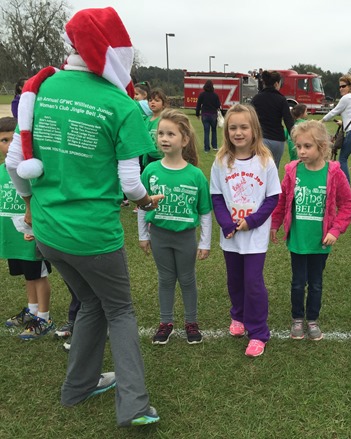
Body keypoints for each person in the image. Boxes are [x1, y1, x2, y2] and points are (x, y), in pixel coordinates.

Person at [5, 7, 161, 426]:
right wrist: (146, 202)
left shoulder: (42, 87)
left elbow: (15, 161)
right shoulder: (120, 103)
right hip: (94, 234)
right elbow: (131, 183)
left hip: (48, 232)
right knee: (120, 310)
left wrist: (28, 201)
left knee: (91, 301)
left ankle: (78, 386)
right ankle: (134, 405)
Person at [271, 120, 351, 341]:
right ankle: (297, 318)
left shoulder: (334, 173)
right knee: (298, 282)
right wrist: (275, 224)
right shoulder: (292, 171)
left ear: (322, 146)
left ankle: (312, 319)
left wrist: (335, 230)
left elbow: (347, 204)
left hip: (321, 242)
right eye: (298, 146)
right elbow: (282, 200)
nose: (301, 151)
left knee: (316, 283)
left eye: (307, 146)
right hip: (298, 240)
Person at [209, 104, 281, 357]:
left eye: (243, 127)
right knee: (235, 280)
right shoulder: (221, 161)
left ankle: (258, 332)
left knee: (253, 282)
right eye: (233, 128)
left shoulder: (265, 161)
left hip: (255, 236)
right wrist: (226, 223)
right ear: (226, 131)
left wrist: (252, 221)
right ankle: (238, 316)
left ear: (254, 130)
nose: (238, 132)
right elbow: (217, 196)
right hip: (231, 235)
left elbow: (273, 197)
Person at [138, 109, 212, 345]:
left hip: (185, 237)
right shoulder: (150, 171)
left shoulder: (196, 175)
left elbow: (205, 211)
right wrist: (143, 235)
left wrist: (205, 242)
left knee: (187, 279)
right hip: (159, 235)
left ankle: (191, 322)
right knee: (166, 279)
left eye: (171, 134)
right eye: (161, 133)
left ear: (185, 139)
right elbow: (143, 206)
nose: (164, 138)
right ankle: (166, 323)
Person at [1, 116, 54, 339]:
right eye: (3, 141)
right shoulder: (2, 170)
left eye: (10, 140)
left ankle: (44, 317)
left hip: (31, 234)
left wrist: (36, 229)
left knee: (39, 274)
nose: (7, 146)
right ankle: (32, 310)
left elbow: (41, 200)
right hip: (14, 236)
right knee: (28, 275)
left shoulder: (30, 170)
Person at [321, 74, 351, 193]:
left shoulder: (346, 98)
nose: (341, 89)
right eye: (340, 87)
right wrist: (343, 123)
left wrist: (321, 121)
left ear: (350, 86)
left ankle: (345, 187)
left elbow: (334, 111)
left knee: (342, 158)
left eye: (343, 86)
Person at [251, 70, 294, 169]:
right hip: (277, 140)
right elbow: (288, 121)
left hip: (261, 138)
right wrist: (294, 137)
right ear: (276, 84)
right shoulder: (281, 99)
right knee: (274, 168)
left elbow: (249, 118)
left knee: (260, 167)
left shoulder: (256, 98)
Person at [142, 88, 168, 168]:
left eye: (157, 100)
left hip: (160, 158)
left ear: (163, 104)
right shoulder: (146, 120)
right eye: (150, 100)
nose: (152, 102)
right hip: (147, 157)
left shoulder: (164, 120)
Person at [196, 79, 221, 153]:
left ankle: (206, 148)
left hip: (205, 115)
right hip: (213, 115)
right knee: (214, 130)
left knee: (206, 131)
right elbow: (218, 105)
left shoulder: (202, 95)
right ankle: (215, 146)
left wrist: (197, 114)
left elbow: (198, 105)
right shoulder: (215, 95)